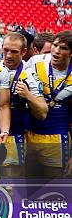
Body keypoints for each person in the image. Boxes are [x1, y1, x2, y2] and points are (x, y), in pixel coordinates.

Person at [0, 32, 47, 176]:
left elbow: (43, 112)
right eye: (6, 50)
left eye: (14, 52)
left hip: (14, 135)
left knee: (11, 184)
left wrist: (28, 95)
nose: (8, 55)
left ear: (24, 52)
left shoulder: (29, 75)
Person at [26, 31, 72, 176]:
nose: (56, 51)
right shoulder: (35, 62)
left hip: (57, 137)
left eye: (63, 48)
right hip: (29, 133)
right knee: (25, 185)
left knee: (54, 188)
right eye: (55, 45)